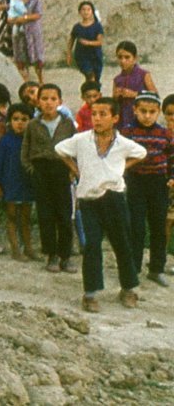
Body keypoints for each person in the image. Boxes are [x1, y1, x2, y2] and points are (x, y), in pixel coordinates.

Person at [55, 96, 146, 312]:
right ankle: (90, 293)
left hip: (114, 198)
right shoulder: (82, 140)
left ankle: (129, 289)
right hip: (89, 200)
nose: (97, 118)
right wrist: (77, 170)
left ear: (115, 118)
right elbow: (60, 149)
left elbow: (141, 153)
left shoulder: (123, 143)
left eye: (103, 114)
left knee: (122, 243)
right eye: (94, 114)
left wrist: (121, 169)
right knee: (92, 245)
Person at [21, 84, 77, 273]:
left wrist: (73, 170)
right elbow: (25, 150)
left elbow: (76, 149)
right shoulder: (33, 125)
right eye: (44, 98)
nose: (48, 103)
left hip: (62, 170)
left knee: (64, 214)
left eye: (53, 99)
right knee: (46, 215)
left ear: (60, 102)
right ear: (38, 102)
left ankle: (66, 256)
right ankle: (51, 255)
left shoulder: (68, 124)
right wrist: (32, 170)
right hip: (41, 171)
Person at [119, 91, 172, 286]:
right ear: (135, 110)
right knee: (136, 226)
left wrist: (172, 177)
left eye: (152, 112)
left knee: (158, 226)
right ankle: (133, 268)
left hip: (158, 183)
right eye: (143, 111)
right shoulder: (126, 133)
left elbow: (172, 158)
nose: (147, 116)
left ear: (158, 112)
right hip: (135, 182)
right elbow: (119, 156)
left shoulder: (165, 134)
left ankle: (156, 269)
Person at [0, 103, 36, 261]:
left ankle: (29, 248)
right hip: (10, 183)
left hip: (28, 183)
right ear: (10, 121)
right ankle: (15, 249)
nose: (20, 123)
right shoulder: (5, 141)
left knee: (26, 217)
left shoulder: (32, 141)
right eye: (16, 119)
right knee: (11, 216)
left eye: (24, 119)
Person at [112, 41, 157, 128]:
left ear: (135, 58)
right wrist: (115, 97)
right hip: (123, 119)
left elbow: (155, 95)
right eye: (120, 57)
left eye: (127, 57)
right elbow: (114, 104)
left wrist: (135, 94)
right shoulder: (117, 79)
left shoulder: (144, 75)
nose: (123, 61)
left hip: (141, 117)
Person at [9, 0, 44, 84]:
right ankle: (26, 81)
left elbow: (38, 15)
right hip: (19, 34)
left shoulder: (36, 1)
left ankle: (41, 81)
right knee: (20, 57)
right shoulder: (15, 1)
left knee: (37, 57)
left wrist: (23, 18)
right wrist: (16, 19)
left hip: (33, 33)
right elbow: (10, 17)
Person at [68, 1, 105, 83]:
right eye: (83, 10)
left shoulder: (97, 26)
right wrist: (69, 54)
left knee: (96, 79)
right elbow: (71, 40)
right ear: (80, 12)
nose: (86, 12)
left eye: (88, 9)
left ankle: (92, 93)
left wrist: (88, 43)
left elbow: (100, 42)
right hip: (82, 56)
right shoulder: (77, 27)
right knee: (90, 75)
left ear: (92, 11)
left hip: (95, 56)